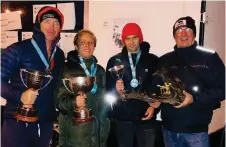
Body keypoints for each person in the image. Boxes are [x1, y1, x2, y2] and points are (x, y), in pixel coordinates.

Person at [150, 16, 225, 147]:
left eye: (188, 29)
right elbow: (156, 88)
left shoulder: (210, 57)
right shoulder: (164, 60)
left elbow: (223, 90)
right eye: (179, 31)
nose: (183, 34)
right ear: (174, 36)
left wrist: (194, 98)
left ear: (194, 33)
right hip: (169, 130)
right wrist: (154, 101)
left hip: (196, 134)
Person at [1, 6, 65, 147]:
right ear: (38, 25)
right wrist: (20, 96)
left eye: (56, 22)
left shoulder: (59, 55)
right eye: (47, 21)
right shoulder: (17, 49)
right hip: (17, 121)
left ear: (60, 27)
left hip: (45, 122)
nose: (51, 26)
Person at [106, 23, 159, 147]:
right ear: (123, 40)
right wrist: (116, 90)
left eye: (134, 37)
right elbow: (108, 90)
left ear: (140, 38)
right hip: (123, 118)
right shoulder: (114, 61)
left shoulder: (153, 60)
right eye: (127, 38)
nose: (131, 42)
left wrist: (154, 108)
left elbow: (158, 87)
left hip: (147, 116)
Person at [56, 29, 110, 147]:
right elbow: (58, 102)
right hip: (76, 134)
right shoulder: (66, 69)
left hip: (99, 132)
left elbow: (104, 98)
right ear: (76, 46)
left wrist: (105, 122)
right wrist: (74, 102)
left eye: (91, 42)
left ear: (94, 46)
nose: (87, 45)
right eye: (82, 42)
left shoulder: (100, 70)